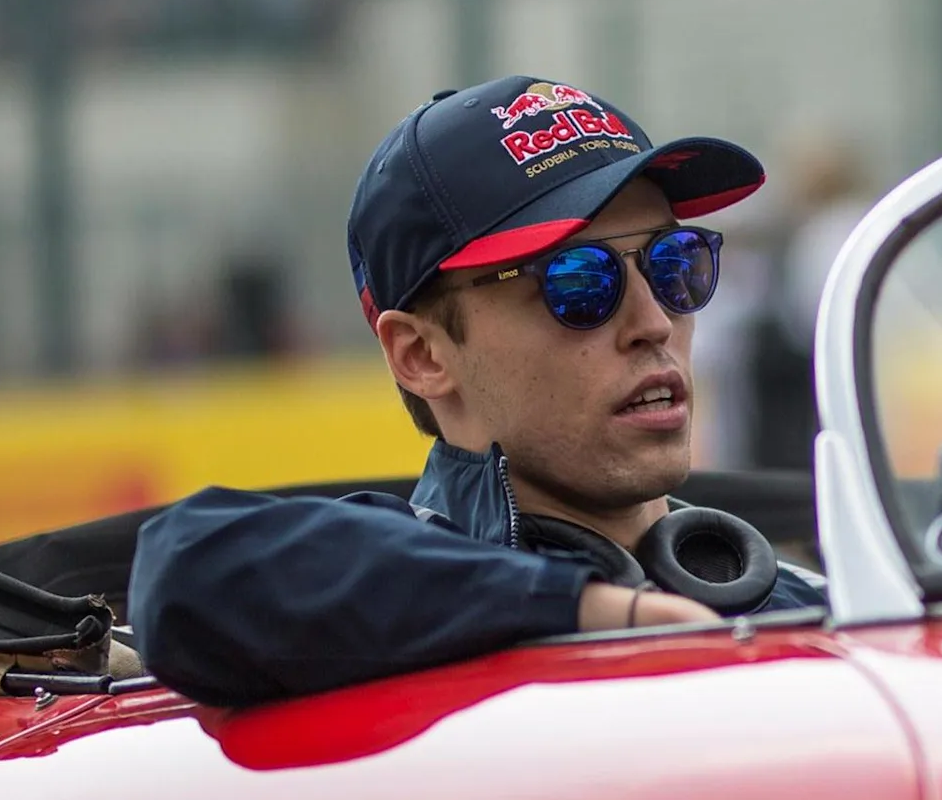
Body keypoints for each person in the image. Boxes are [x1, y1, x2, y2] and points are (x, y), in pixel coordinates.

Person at [129, 78, 823, 705]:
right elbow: (186, 571)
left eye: (675, 264)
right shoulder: (366, 628)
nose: (655, 322)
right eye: (579, 282)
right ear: (423, 356)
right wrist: (586, 612)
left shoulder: (806, 606)